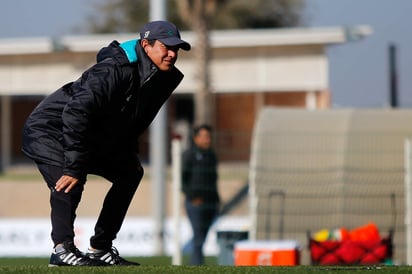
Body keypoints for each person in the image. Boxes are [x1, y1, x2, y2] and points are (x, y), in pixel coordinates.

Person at [21, 20, 191, 267]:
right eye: (167, 47)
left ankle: (100, 249)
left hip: (89, 133)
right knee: (71, 179)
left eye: (177, 48)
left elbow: (133, 120)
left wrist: (126, 151)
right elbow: (76, 112)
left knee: (130, 173)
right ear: (146, 45)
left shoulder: (161, 76)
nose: (173, 54)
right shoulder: (114, 69)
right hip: (49, 129)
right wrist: (74, 165)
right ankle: (62, 249)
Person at [182, 125, 220, 265]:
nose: (207, 139)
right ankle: (197, 265)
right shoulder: (189, 155)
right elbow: (183, 179)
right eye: (204, 136)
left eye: (208, 136)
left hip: (211, 203)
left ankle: (196, 264)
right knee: (198, 236)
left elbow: (214, 179)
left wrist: (217, 199)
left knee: (202, 237)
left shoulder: (211, 155)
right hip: (196, 203)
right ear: (196, 138)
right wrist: (192, 197)